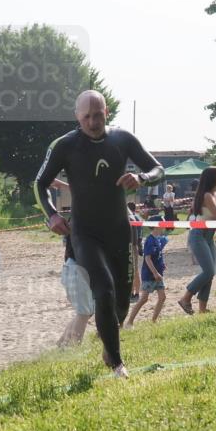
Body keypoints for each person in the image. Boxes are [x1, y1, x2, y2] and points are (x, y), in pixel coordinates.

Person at [34, 90, 165, 379]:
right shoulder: (66, 145)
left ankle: (109, 344)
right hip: (85, 233)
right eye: (86, 117)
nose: (92, 122)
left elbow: (158, 169)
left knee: (120, 303)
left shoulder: (123, 139)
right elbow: (40, 183)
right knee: (102, 289)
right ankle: (118, 363)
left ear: (106, 112)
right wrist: (52, 214)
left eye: (97, 115)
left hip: (119, 231)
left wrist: (141, 178)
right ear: (77, 116)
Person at [177, 166, 216, 315]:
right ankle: (186, 298)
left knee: (210, 273)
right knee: (209, 271)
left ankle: (202, 310)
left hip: (209, 235)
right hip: (198, 235)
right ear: (211, 177)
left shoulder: (215, 194)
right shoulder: (207, 196)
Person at [124, 223, 167, 327]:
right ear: (157, 226)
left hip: (158, 275)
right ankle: (129, 322)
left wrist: (162, 265)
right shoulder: (150, 240)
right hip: (150, 275)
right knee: (144, 299)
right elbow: (147, 258)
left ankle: (153, 321)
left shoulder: (158, 239)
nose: (165, 225)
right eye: (163, 223)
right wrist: (155, 272)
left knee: (162, 297)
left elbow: (158, 256)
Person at [58, 234, 95, 347]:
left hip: (72, 267)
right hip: (77, 269)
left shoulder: (76, 220)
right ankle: (74, 347)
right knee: (83, 313)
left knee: (85, 312)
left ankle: (62, 342)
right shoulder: (83, 222)